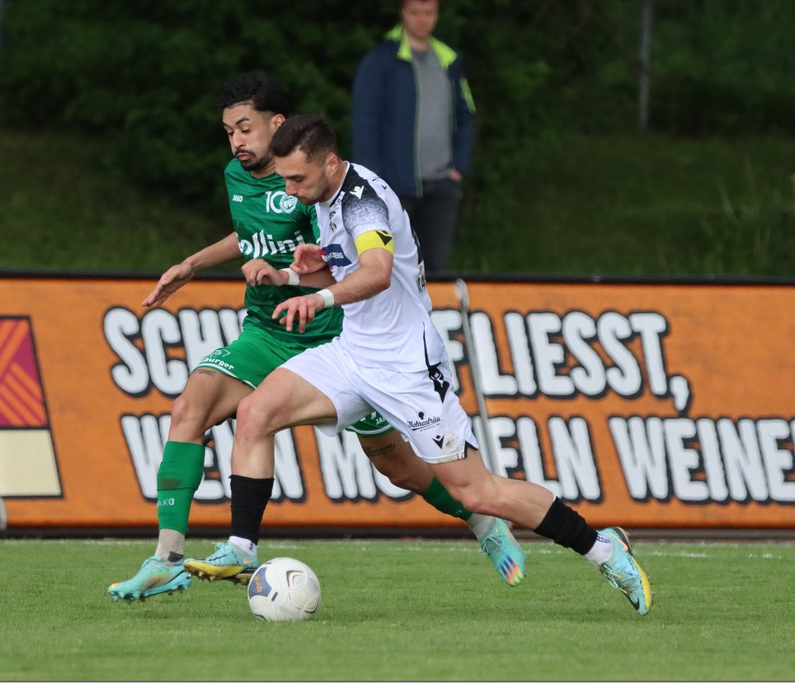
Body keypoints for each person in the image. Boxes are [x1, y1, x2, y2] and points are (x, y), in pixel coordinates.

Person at [184, 114, 653, 616]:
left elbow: (378, 272)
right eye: (285, 179)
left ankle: (604, 548)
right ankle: (242, 549)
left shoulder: (362, 199)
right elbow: (344, 269)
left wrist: (319, 298)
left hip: (408, 366)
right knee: (255, 412)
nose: (290, 190)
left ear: (331, 163)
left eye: (298, 178)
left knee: (478, 492)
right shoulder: (324, 198)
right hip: (353, 353)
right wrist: (290, 276)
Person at [107, 73, 526, 603]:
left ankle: (484, 523)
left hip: (331, 336)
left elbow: (340, 252)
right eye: (228, 131)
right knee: (192, 404)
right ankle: (167, 559)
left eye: (245, 128)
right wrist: (192, 264)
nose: (236, 142)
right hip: (266, 331)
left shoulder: (312, 185)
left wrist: (290, 273)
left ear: (277, 124)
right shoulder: (237, 176)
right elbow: (251, 233)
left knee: (398, 465)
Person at [351, 0, 474, 274]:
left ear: (437, 14)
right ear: (403, 13)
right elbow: (365, 124)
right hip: (394, 186)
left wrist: (460, 167)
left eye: (429, 13)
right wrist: (374, 181)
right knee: (391, 269)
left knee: (435, 268)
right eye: (415, 12)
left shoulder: (449, 60)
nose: (422, 19)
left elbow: (466, 115)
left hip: (442, 184)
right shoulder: (381, 61)